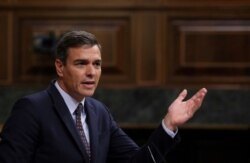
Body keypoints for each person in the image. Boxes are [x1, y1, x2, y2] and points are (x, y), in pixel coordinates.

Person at [0, 30, 207, 163]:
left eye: (97, 64)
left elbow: (137, 161)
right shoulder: (31, 109)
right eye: (81, 63)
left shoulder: (99, 112)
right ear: (60, 67)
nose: (91, 72)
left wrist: (168, 125)